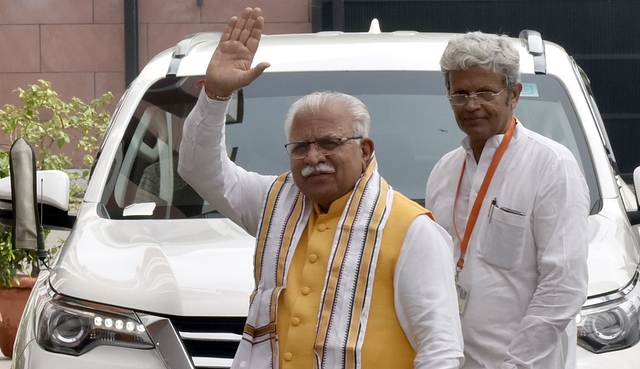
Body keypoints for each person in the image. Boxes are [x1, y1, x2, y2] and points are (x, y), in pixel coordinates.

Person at [178, 7, 464, 369]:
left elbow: (440, 349)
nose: (313, 157)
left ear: (365, 151)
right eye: (299, 146)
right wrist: (216, 96)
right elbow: (198, 168)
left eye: (329, 142)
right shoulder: (274, 203)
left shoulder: (414, 230)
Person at [425, 31, 590, 369]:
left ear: (514, 95)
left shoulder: (551, 165)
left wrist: (516, 364)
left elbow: (563, 286)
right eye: (460, 94)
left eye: (486, 92)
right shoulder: (444, 171)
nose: (472, 105)